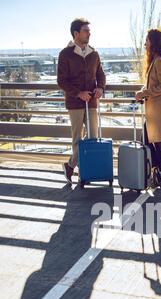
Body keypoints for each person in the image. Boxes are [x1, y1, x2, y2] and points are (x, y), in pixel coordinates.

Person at [57, 18, 106, 184]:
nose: (89, 33)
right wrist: (78, 93)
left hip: (92, 102)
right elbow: (61, 81)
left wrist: (101, 88)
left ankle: (72, 166)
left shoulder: (94, 53)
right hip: (75, 103)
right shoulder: (65, 54)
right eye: (86, 30)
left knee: (93, 136)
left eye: (89, 31)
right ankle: (81, 171)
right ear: (76, 33)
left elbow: (100, 75)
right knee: (78, 139)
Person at [135, 29, 161, 187]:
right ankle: (157, 174)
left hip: (159, 112)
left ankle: (158, 174)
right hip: (155, 111)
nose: (145, 43)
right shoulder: (155, 60)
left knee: (155, 143)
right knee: (150, 142)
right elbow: (154, 84)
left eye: (147, 40)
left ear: (154, 42)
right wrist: (143, 94)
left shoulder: (159, 60)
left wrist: (144, 93)